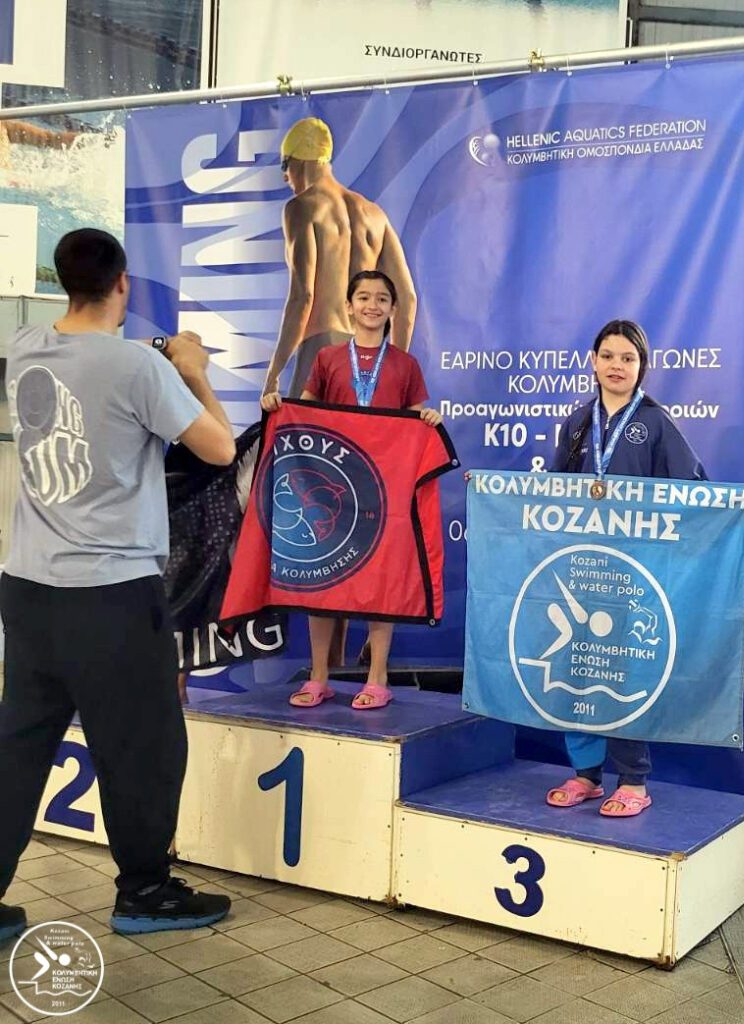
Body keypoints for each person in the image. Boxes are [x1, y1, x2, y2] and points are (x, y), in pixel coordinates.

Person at [0, 228, 236, 943]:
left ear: (62, 281)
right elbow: (220, 448)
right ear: (123, 284)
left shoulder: (24, 348)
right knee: (141, 746)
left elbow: (89, 366)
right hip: (111, 595)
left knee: (18, 748)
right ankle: (145, 891)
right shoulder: (138, 367)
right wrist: (191, 370)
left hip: (27, 589)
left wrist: (158, 360)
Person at [544, 319, 744, 817]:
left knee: (621, 672)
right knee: (577, 669)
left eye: (628, 358)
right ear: (593, 361)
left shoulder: (656, 423)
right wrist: (491, 491)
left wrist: (735, 502)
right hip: (580, 568)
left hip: (633, 574)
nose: (616, 366)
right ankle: (586, 774)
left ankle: (633, 781)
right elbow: (551, 489)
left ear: (642, 366)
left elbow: (693, 489)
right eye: (608, 356)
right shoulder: (577, 423)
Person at [264, 117, 418, 668]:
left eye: (285, 170)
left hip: (322, 359)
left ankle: (324, 662)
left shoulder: (302, 207)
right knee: (364, 508)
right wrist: (392, 368)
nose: (286, 179)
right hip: (369, 370)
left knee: (318, 512)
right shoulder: (372, 212)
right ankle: (355, 656)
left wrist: (273, 375)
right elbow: (408, 299)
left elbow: (303, 296)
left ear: (297, 163)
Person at [262, 270, 441, 710]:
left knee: (382, 581)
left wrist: (428, 419)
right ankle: (319, 676)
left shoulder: (405, 364)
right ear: (349, 306)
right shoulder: (328, 358)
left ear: (393, 309)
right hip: (335, 486)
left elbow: (415, 418)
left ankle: (377, 677)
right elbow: (305, 412)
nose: (372, 305)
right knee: (325, 580)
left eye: (381, 299)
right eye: (363, 297)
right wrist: (279, 406)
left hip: (383, 491)